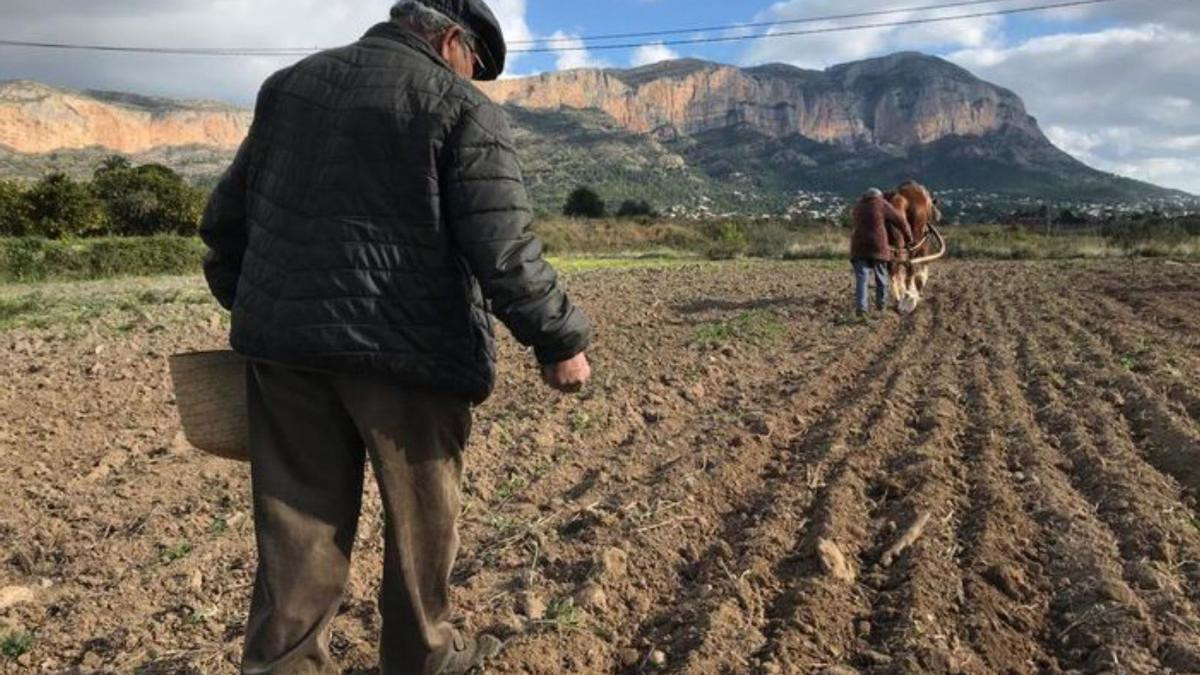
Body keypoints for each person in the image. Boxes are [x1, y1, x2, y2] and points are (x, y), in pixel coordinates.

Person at [198, 1, 592, 673]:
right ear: (451, 40)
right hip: (411, 356)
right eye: (475, 64)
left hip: (286, 356)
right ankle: (421, 659)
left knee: (296, 533)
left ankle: (284, 666)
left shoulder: (288, 88)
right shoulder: (460, 108)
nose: (473, 79)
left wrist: (268, 308)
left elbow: (224, 223)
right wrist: (558, 339)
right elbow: (503, 248)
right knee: (421, 529)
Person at [849, 187, 914, 316]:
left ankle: (861, 309)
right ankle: (881, 305)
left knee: (861, 279)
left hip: (858, 247)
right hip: (878, 247)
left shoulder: (858, 206)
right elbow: (900, 221)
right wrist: (909, 238)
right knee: (881, 277)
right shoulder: (881, 204)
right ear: (878, 196)